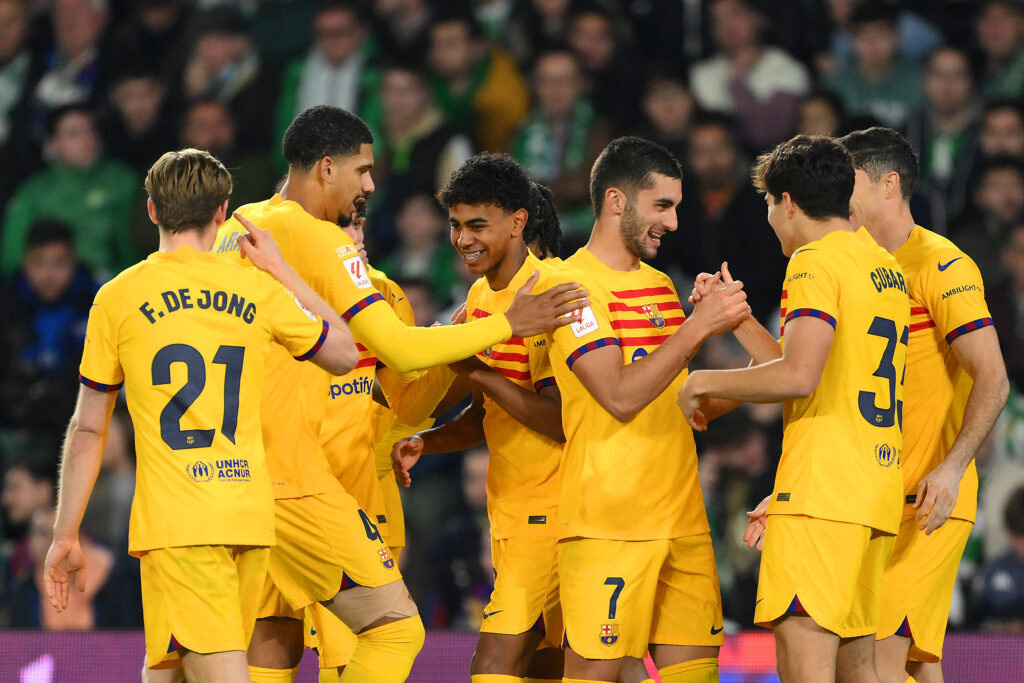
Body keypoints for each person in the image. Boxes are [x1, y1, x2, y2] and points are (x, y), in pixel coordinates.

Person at [213, 104, 586, 682]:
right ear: (327, 168)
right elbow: (406, 352)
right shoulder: (317, 241)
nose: (368, 188)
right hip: (302, 481)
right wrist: (502, 325)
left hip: (233, 474)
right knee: (387, 631)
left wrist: (449, 372)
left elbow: (396, 402)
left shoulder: (242, 228)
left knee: (255, 639)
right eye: (362, 174)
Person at [40, 148, 358, 682]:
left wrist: (64, 533)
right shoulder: (256, 288)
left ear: (150, 211)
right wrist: (281, 270)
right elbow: (345, 352)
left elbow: (89, 425)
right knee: (172, 671)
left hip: (178, 526)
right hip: (248, 518)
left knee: (213, 671)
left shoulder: (117, 298)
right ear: (223, 212)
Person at [679, 135, 908, 683]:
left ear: (785, 202)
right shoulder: (882, 266)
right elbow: (815, 367)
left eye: (767, 205)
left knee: (805, 661)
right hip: (872, 492)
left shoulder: (811, 262)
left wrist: (700, 380)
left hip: (822, 492)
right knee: (860, 671)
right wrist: (739, 318)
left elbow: (799, 376)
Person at [541, 136, 749, 682]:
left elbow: (679, 401)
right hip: (608, 526)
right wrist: (698, 327)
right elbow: (620, 396)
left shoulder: (660, 287)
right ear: (616, 201)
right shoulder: (568, 287)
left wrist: (761, 368)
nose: (675, 222)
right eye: (662, 206)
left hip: (683, 522)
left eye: (676, 207)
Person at [837, 126, 1009, 683]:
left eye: (850, 182)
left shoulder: (942, 263)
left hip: (926, 501)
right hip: (870, 499)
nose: (838, 195)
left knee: (876, 664)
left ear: (889, 185)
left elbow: (994, 376)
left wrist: (954, 466)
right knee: (912, 665)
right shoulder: (853, 264)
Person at [393, 153, 567, 682]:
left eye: (477, 225)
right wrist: (428, 440)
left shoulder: (554, 294)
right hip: (512, 512)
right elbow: (483, 415)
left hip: (557, 511)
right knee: (549, 668)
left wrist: (481, 371)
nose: (462, 239)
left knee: (492, 667)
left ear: (518, 222)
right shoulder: (480, 297)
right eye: (455, 225)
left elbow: (563, 419)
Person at [1, 104, 138, 277]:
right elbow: (12, 257)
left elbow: (132, 248)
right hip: (45, 290)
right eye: (74, 134)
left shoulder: (123, 181)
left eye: (91, 130)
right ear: (52, 143)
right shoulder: (34, 191)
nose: (88, 140)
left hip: (109, 286)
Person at [0, 220, 98, 445]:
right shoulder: (7, 300)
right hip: (15, 415)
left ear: (74, 261)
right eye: (39, 263)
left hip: (78, 414)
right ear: (25, 262)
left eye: (58, 264)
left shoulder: (98, 298)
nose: (48, 275)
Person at [824, 0, 923, 129]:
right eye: (864, 36)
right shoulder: (834, 87)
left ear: (897, 36)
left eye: (881, 35)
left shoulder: (920, 82)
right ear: (851, 40)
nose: (873, 44)